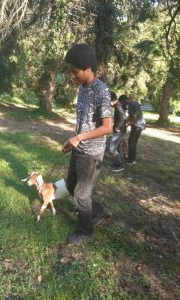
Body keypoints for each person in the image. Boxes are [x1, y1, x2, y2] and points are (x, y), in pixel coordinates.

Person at [62, 44, 113, 244]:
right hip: (79, 148)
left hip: (92, 154)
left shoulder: (102, 90)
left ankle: (86, 231)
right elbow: (83, 123)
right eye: (70, 72)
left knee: (82, 195)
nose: (72, 76)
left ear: (88, 69)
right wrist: (72, 139)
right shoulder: (82, 89)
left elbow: (108, 127)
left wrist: (79, 138)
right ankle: (99, 211)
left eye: (75, 72)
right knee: (71, 186)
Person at [108, 94, 128, 172]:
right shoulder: (119, 105)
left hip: (119, 130)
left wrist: (117, 127)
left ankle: (119, 164)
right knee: (118, 146)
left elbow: (123, 117)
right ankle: (117, 163)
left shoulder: (118, 106)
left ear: (111, 100)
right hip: (122, 129)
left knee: (112, 149)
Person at [125, 97, 146, 165]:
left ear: (127, 99)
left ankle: (132, 160)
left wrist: (127, 125)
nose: (124, 103)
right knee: (130, 141)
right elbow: (130, 117)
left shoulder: (133, 104)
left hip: (138, 126)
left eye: (124, 101)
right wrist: (124, 122)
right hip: (136, 125)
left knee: (132, 143)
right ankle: (130, 158)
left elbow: (134, 117)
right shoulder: (131, 104)